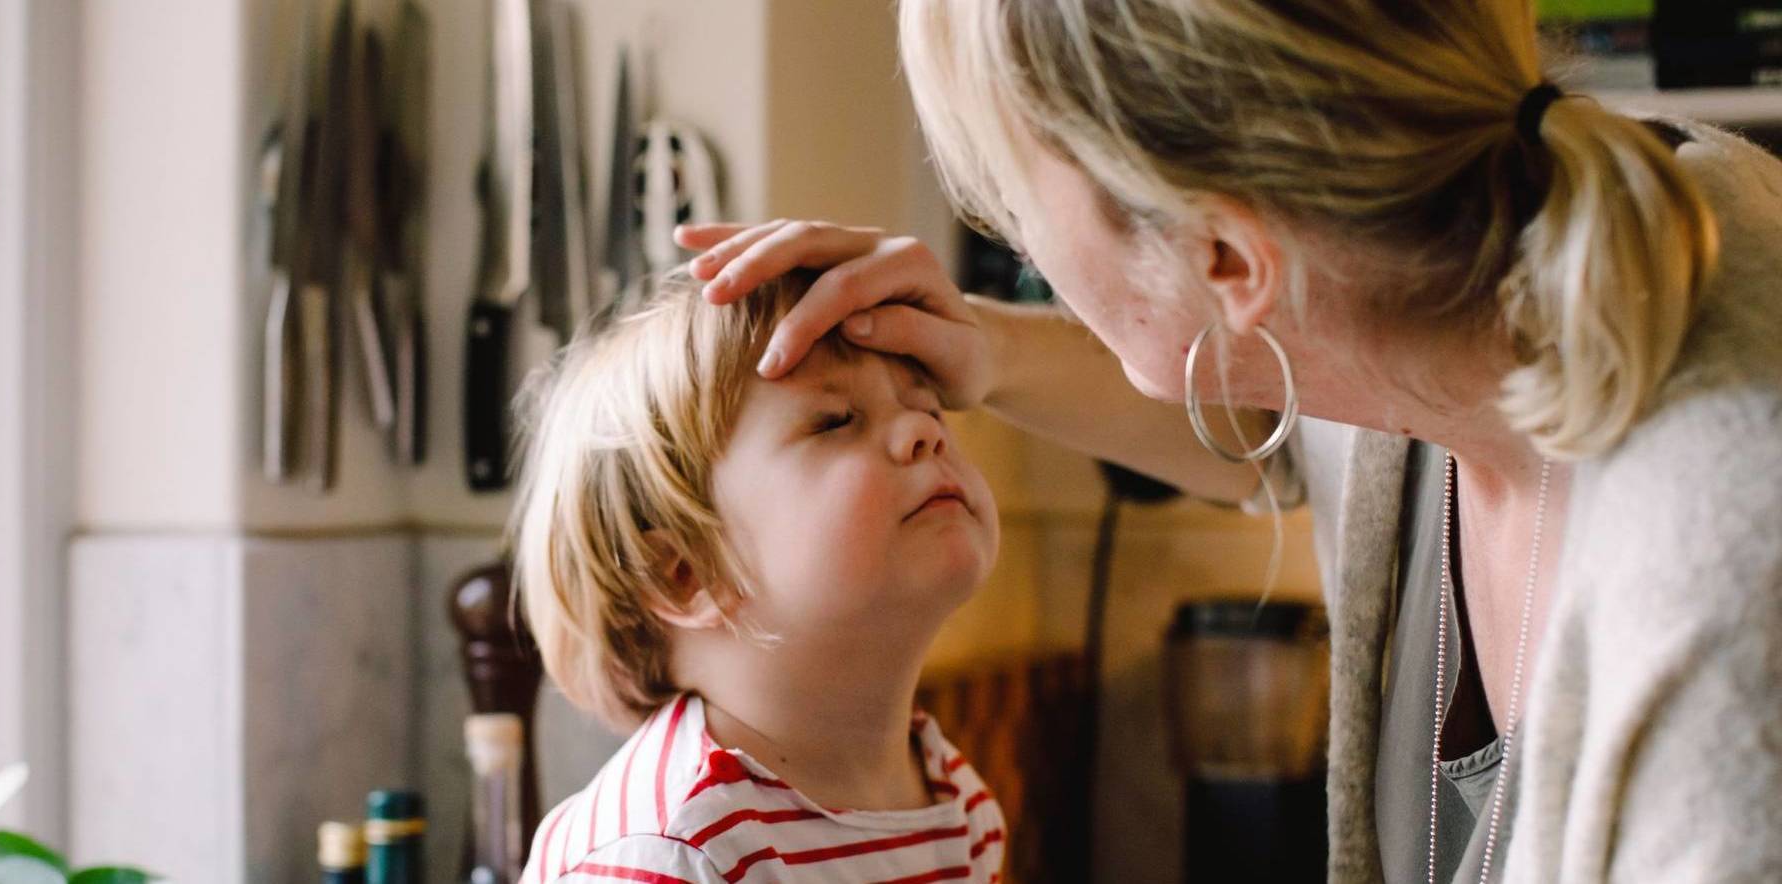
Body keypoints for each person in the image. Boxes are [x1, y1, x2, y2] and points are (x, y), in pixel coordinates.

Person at [675, 2, 1782, 881]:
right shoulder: (1443, 280)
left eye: (1014, 204)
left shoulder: (1721, 572)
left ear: (1227, 261)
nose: (1018, 248)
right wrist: (987, 350)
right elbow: (1279, 419)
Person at [509, 269, 1010, 882]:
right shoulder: (663, 852)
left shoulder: (960, 803)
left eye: (929, 407)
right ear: (685, 575)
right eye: (834, 420)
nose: (926, 431)